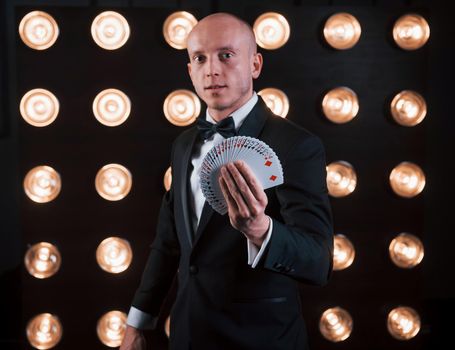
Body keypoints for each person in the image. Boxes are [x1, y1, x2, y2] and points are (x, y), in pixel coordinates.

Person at [120, 12, 333, 350]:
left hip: (262, 340)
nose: (212, 69)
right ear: (190, 71)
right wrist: (138, 320)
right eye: (199, 58)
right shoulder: (183, 144)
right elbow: (169, 243)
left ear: (255, 65)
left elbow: (318, 261)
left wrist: (261, 229)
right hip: (188, 336)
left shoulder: (298, 145)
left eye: (226, 55)